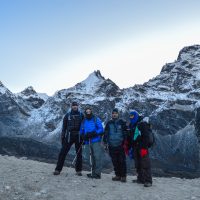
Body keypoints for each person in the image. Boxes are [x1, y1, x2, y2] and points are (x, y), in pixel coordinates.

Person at [53, 101, 84, 176]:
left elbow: (84, 126)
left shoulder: (81, 115)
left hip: (78, 136)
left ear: (77, 106)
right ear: (71, 107)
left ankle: (78, 171)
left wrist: (83, 136)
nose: (75, 107)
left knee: (79, 154)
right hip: (69, 135)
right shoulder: (67, 115)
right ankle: (58, 169)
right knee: (62, 152)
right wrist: (63, 137)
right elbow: (64, 128)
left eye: (76, 105)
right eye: (73, 105)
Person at [127, 110, 153, 187]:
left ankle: (148, 180)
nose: (131, 117)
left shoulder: (142, 124)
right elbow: (132, 137)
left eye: (132, 116)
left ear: (136, 116)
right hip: (135, 147)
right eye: (130, 116)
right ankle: (140, 179)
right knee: (137, 164)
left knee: (145, 163)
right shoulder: (132, 125)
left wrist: (144, 147)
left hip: (142, 147)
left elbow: (146, 137)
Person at [103, 108, 127, 182]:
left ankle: (123, 176)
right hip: (111, 145)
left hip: (120, 145)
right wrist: (105, 142)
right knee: (115, 161)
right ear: (112, 114)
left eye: (116, 113)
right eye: (113, 113)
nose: (114, 114)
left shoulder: (122, 122)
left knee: (122, 161)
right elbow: (106, 133)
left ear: (118, 114)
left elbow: (125, 132)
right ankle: (118, 175)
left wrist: (125, 142)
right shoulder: (109, 123)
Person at [80, 107, 104, 179]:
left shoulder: (96, 119)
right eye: (86, 111)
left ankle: (97, 174)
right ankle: (93, 172)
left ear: (91, 112)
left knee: (97, 156)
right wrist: (83, 136)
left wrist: (94, 133)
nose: (88, 112)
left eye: (89, 111)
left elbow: (101, 129)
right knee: (90, 157)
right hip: (87, 141)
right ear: (85, 112)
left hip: (95, 140)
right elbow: (81, 130)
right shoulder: (84, 121)